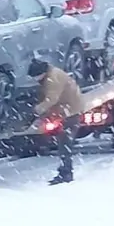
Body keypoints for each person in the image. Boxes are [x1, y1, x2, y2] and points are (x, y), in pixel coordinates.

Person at [29, 56, 85, 184]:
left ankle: (66, 173)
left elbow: (51, 99)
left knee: (64, 143)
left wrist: (37, 110)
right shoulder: (52, 73)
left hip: (70, 112)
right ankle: (65, 170)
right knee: (64, 142)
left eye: (35, 77)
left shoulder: (52, 79)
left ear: (41, 73)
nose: (35, 80)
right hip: (69, 109)